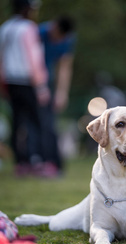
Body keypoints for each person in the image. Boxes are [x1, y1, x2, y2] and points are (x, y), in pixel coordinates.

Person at [0, 0, 51, 176]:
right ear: (26, 9)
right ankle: (36, 159)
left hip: (11, 82)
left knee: (17, 122)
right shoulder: (28, 28)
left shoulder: (5, 28)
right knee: (35, 122)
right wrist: (41, 85)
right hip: (27, 81)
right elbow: (34, 58)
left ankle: (20, 162)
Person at [38, 16, 76, 172]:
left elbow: (65, 67)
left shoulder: (68, 39)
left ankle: (53, 162)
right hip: (30, 81)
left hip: (48, 82)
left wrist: (62, 93)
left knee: (49, 122)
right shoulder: (38, 33)